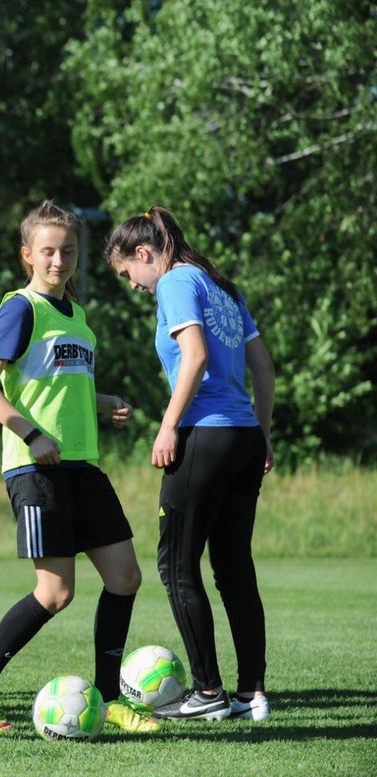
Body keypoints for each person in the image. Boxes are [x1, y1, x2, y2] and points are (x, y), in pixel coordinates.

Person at [0, 200, 157, 734]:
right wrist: (31, 434)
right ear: (27, 254)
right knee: (55, 594)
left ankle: (109, 699)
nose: (58, 260)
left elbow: (64, 388)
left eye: (68, 250)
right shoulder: (20, 308)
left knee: (125, 578)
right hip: (35, 467)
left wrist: (105, 402)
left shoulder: (78, 315)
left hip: (82, 465)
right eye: (47, 251)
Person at [105, 206, 275, 722]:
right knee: (233, 568)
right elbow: (264, 368)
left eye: (128, 273)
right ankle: (251, 694)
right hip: (243, 439)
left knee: (176, 566)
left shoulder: (176, 281)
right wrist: (263, 434)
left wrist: (168, 425)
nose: (133, 286)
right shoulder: (223, 287)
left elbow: (195, 356)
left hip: (205, 435)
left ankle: (207, 692)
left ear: (144, 253)